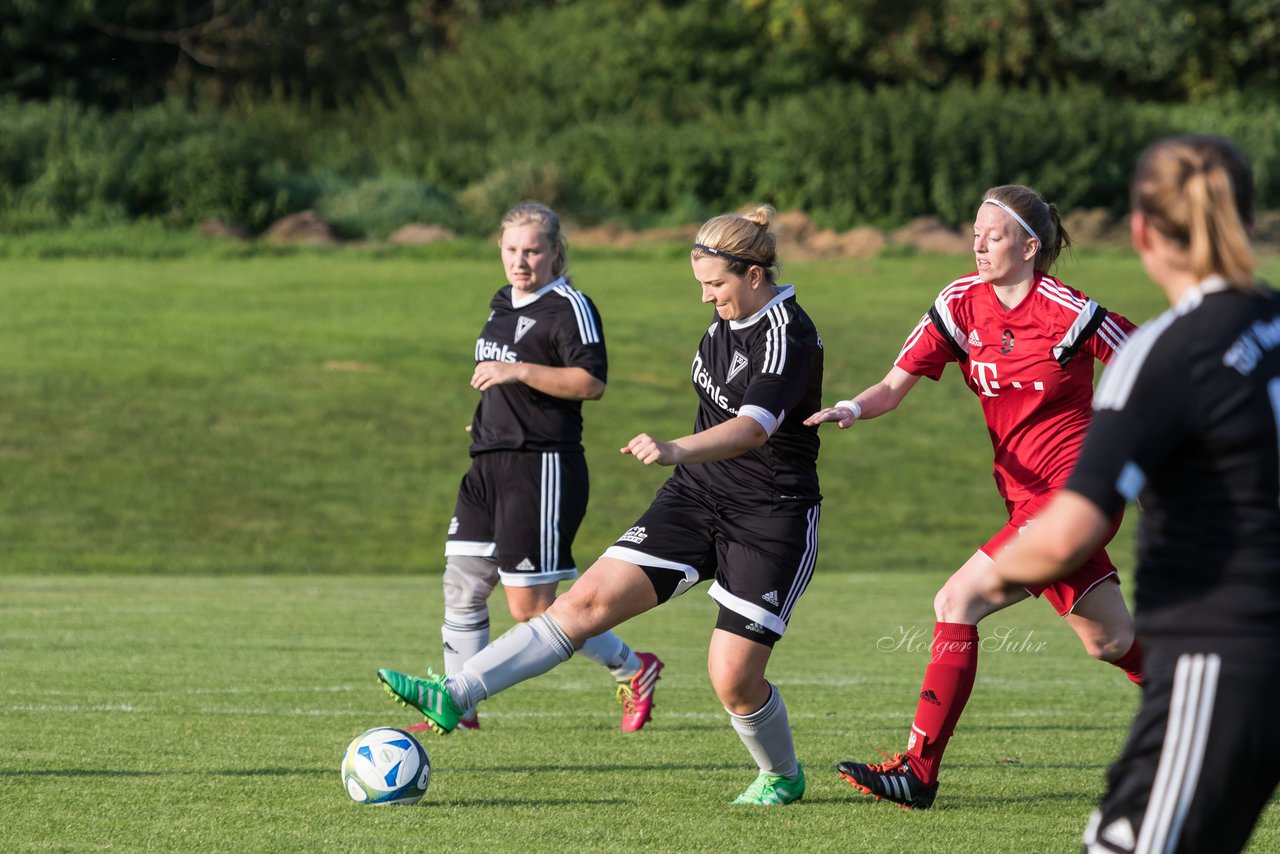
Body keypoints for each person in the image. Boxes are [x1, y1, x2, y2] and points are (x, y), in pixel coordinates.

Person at [379, 205, 825, 805]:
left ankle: (782, 774)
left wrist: (673, 447)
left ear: (753, 274)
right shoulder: (724, 322)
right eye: (700, 286)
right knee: (582, 601)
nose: (705, 299)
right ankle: (455, 693)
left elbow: (752, 430)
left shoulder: (786, 334)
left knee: (734, 679)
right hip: (696, 496)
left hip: (768, 514)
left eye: (714, 285)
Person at [806, 185, 1143, 809]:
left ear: (1029, 245)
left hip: (1078, 498)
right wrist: (854, 407)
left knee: (956, 598)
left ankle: (918, 770)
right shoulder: (960, 304)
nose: (978, 243)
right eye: (976, 232)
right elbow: (892, 385)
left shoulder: (1070, 312)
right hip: (1026, 503)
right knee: (1112, 642)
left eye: (993, 234)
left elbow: (1154, 365)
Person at [990, 136, 1280, 854]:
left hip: (1224, 652)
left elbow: (1069, 536)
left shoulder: (1163, 351)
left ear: (1143, 230)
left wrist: (983, 579)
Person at [426, 201, 662, 734]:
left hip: (541, 467)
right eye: (511, 250)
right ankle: (456, 710)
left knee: (532, 607)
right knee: (462, 583)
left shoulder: (570, 305)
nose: (520, 261)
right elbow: (498, 380)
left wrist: (518, 371)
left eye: (532, 250)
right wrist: (486, 422)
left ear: (556, 251)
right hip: (487, 462)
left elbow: (590, 383)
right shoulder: (500, 302)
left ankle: (633, 666)